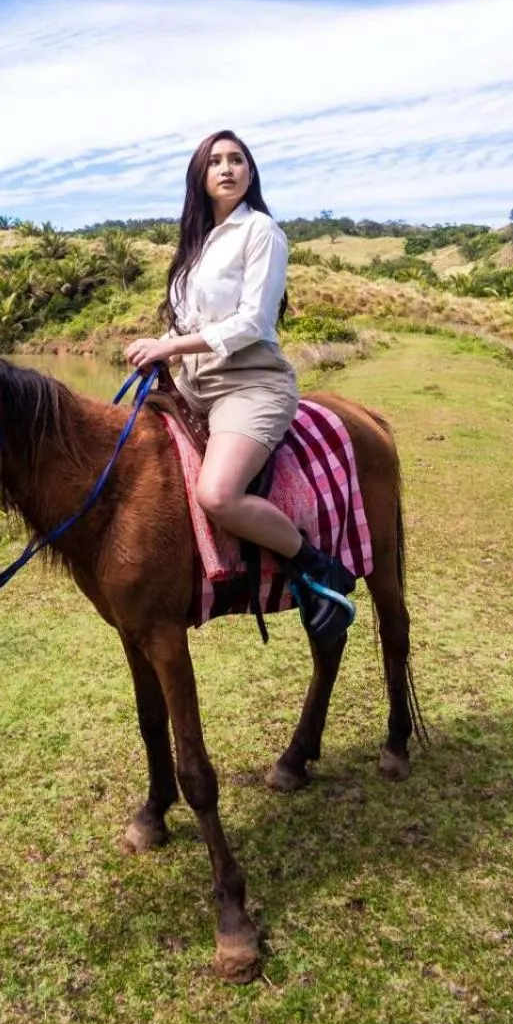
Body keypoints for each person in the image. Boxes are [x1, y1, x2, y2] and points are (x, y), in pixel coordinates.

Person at [125, 129, 354, 643]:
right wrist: (154, 345)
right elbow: (189, 325)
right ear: (200, 178)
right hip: (193, 386)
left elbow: (252, 321)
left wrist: (171, 349)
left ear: (250, 172)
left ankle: (317, 566)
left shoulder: (262, 231)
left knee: (218, 493)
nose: (227, 169)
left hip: (248, 385)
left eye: (237, 160)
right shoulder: (199, 243)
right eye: (215, 162)